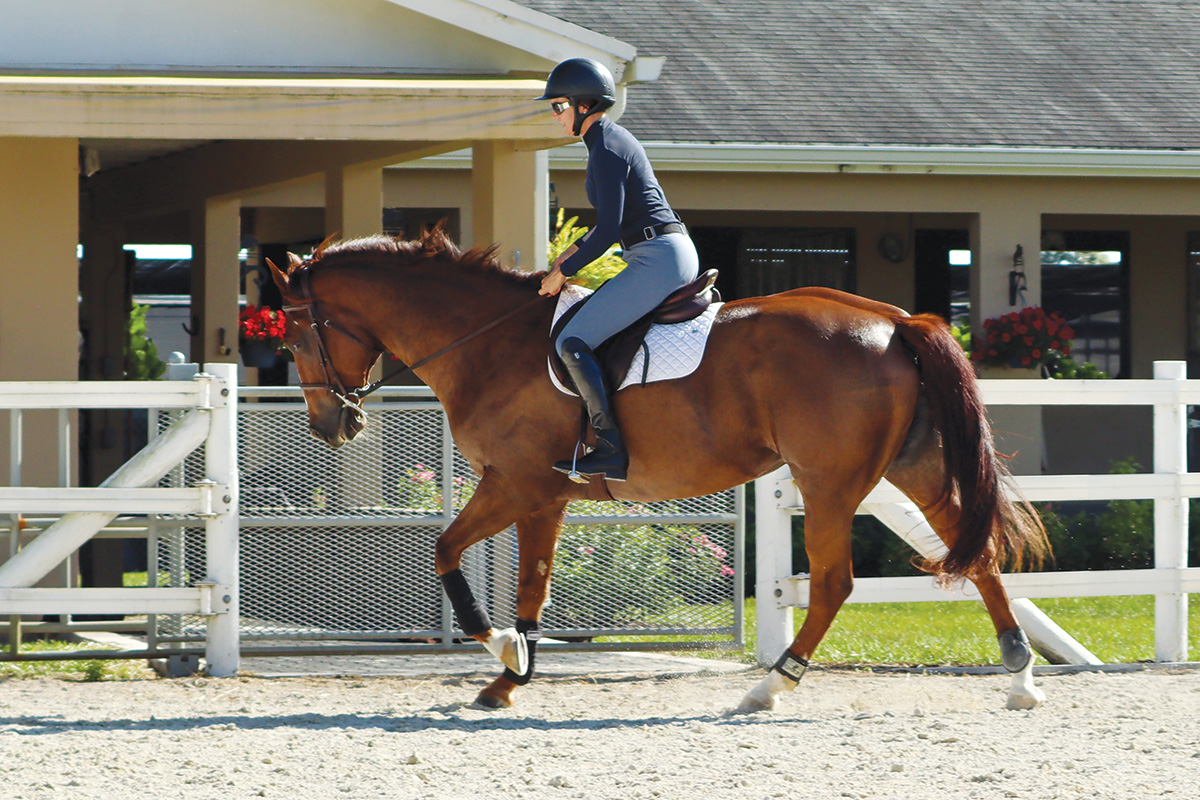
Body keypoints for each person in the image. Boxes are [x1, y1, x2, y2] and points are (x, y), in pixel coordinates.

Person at [536, 57, 700, 484]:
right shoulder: (607, 141)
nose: (556, 117)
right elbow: (609, 222)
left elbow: (609, 229)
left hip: (658, 257)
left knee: (572, 342)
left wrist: (563, 271)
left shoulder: (606, 148)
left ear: (583, 105)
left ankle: (609, 448)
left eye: (558, 107)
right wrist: (565, 257)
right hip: (659, 251)